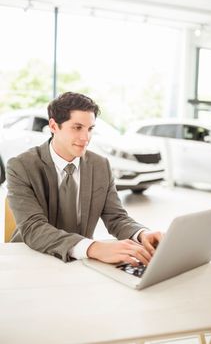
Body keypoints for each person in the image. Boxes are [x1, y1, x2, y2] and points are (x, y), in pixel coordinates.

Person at [6, 92, 163, 265]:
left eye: (90, 129)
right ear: (53, 126)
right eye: (77, 127)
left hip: (80, 261)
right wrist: (94, 248)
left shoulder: (100, 165)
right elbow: (33, 228)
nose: (85, 137)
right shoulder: (21, 166)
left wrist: (141, 234)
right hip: (32, 259)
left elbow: (116, 217)